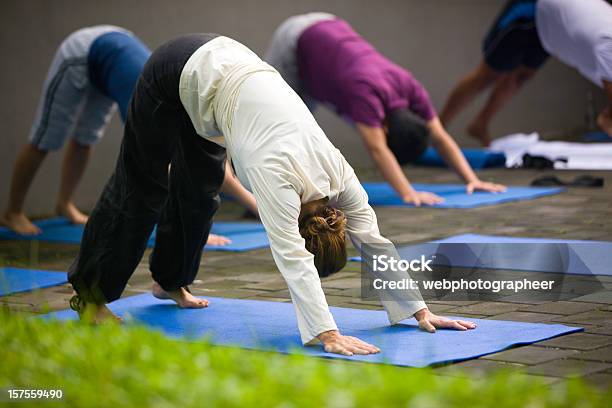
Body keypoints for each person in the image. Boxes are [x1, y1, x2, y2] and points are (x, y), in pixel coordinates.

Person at [68, 34, 476, 356]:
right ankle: (90, 297)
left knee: (200, 190)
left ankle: (170, 283)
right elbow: (293, 258)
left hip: (222, 78)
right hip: (174, 70)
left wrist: (418, 310)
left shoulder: (340, 179)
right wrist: (326, 332)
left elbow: (373, 242)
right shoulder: (277, 181)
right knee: (143, 185)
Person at [1, 26, 255, 246]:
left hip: (112, 60)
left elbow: (211, 167)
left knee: (85, 138)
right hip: (82, 52)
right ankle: (13, 212)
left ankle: (64, 204)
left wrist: (256, 208)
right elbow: (162, 171)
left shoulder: (191, 112)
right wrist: (191, 232)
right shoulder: (151, 109)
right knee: (45, 138)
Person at [265, 13, 505, 207]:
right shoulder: (366, 97)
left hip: (330, 25)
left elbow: (440, 138)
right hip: (295, 39)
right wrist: (408, 193)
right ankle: (256, 191)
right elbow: (378, 149)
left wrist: (473, 180)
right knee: (281, 120)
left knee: (303, 122)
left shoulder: (412, 89)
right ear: (386, 127)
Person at [440, 0, 549, 146]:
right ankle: (438, 127)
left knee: (523, 75)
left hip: (547, 25)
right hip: (525, 15)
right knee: (488, 74)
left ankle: (480, 123)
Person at [536, 0, 612, 138]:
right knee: (504, 73)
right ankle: (482, 123)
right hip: (539, 13)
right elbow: (606, 120)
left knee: (517, 76)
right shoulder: (609, 43)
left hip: (557, 26)